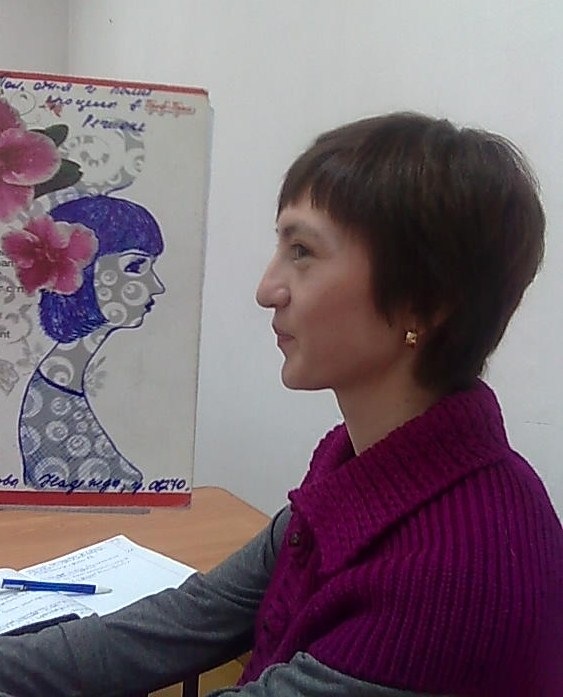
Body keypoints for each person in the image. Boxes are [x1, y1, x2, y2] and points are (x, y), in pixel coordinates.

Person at [0, 112, 561, 697]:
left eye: (302, 251)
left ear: (425, 302)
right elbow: (184, 620)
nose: (267, 289)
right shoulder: (362, 466)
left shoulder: (454, 573)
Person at [8, 195, 165, 493]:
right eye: (135, 266)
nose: (157, 286)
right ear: (82, 271)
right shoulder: (51, 407)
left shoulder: (70, 386)